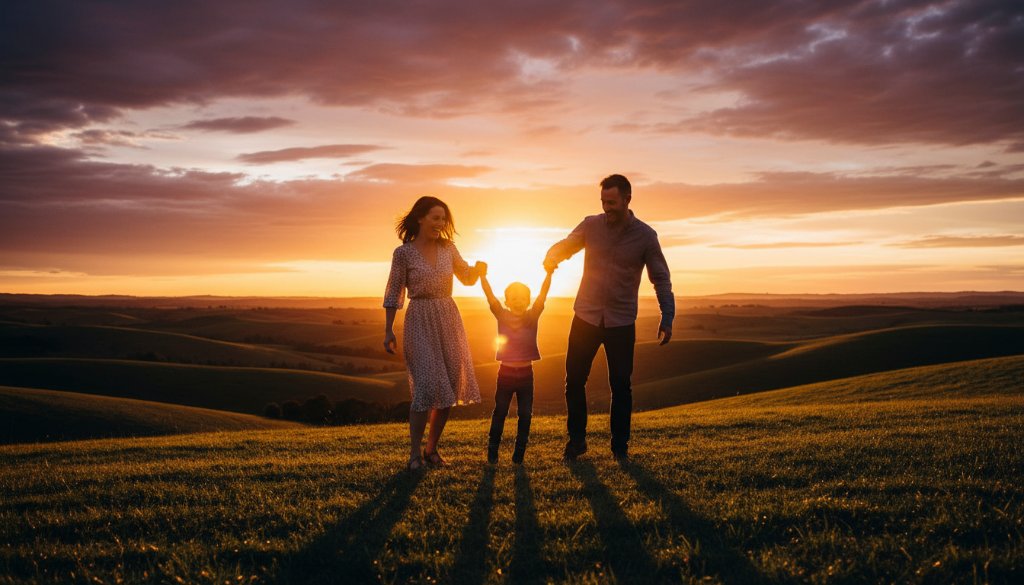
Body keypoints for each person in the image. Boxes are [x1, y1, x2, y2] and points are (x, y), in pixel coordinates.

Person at [544, 174, 674, 463]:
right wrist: (552, 256)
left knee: (620, 384)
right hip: (586, 317)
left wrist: (667, 315)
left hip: (621, 321)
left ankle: (620, 447)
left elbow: (661, 278)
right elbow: (568, 244)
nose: (607, 208)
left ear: (628, 199)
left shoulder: (645, 236)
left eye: (612, 202)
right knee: (574, 381)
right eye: (603, 202)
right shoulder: (591, 225)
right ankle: (577, 441)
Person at [383, 196, 484, 471]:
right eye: (435, 218)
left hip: (448, 318)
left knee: (448, 388)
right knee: (426, 386)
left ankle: (431, 451)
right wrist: (388, 328)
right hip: (419, 319)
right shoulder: (403, 253)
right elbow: (394, 291)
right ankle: (414, 455)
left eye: (443, 219)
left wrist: (478, 270)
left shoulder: (448, 248)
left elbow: (466, 277)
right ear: (420, 218)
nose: (440, 224)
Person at [478, 263, 554, 464]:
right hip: (505, 374)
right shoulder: (502, 315)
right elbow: (490, 296)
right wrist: (483, 277)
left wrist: (548, 273)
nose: (519, 302)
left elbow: (543, 294)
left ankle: (519, 454)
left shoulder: (532, 315)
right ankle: (493, 450)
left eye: (523, 298)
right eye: (514, 298)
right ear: (507, 301)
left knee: (525, 415)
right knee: (500, 411)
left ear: (528, 301)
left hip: (526, 375)